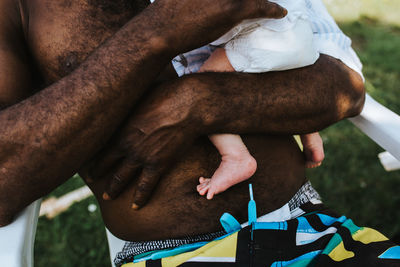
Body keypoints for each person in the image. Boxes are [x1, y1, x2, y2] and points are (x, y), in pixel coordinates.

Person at [3, 0, 395, 266]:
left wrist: (197, 102)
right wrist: (157, 33)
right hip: (171, 256)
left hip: (316, 232)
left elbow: (343, 89)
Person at [195, 0, 325, 200]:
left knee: (201, 90)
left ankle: (235, 157)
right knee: (283, 77)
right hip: (298, 31)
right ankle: (310, 135)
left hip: (260, 37)